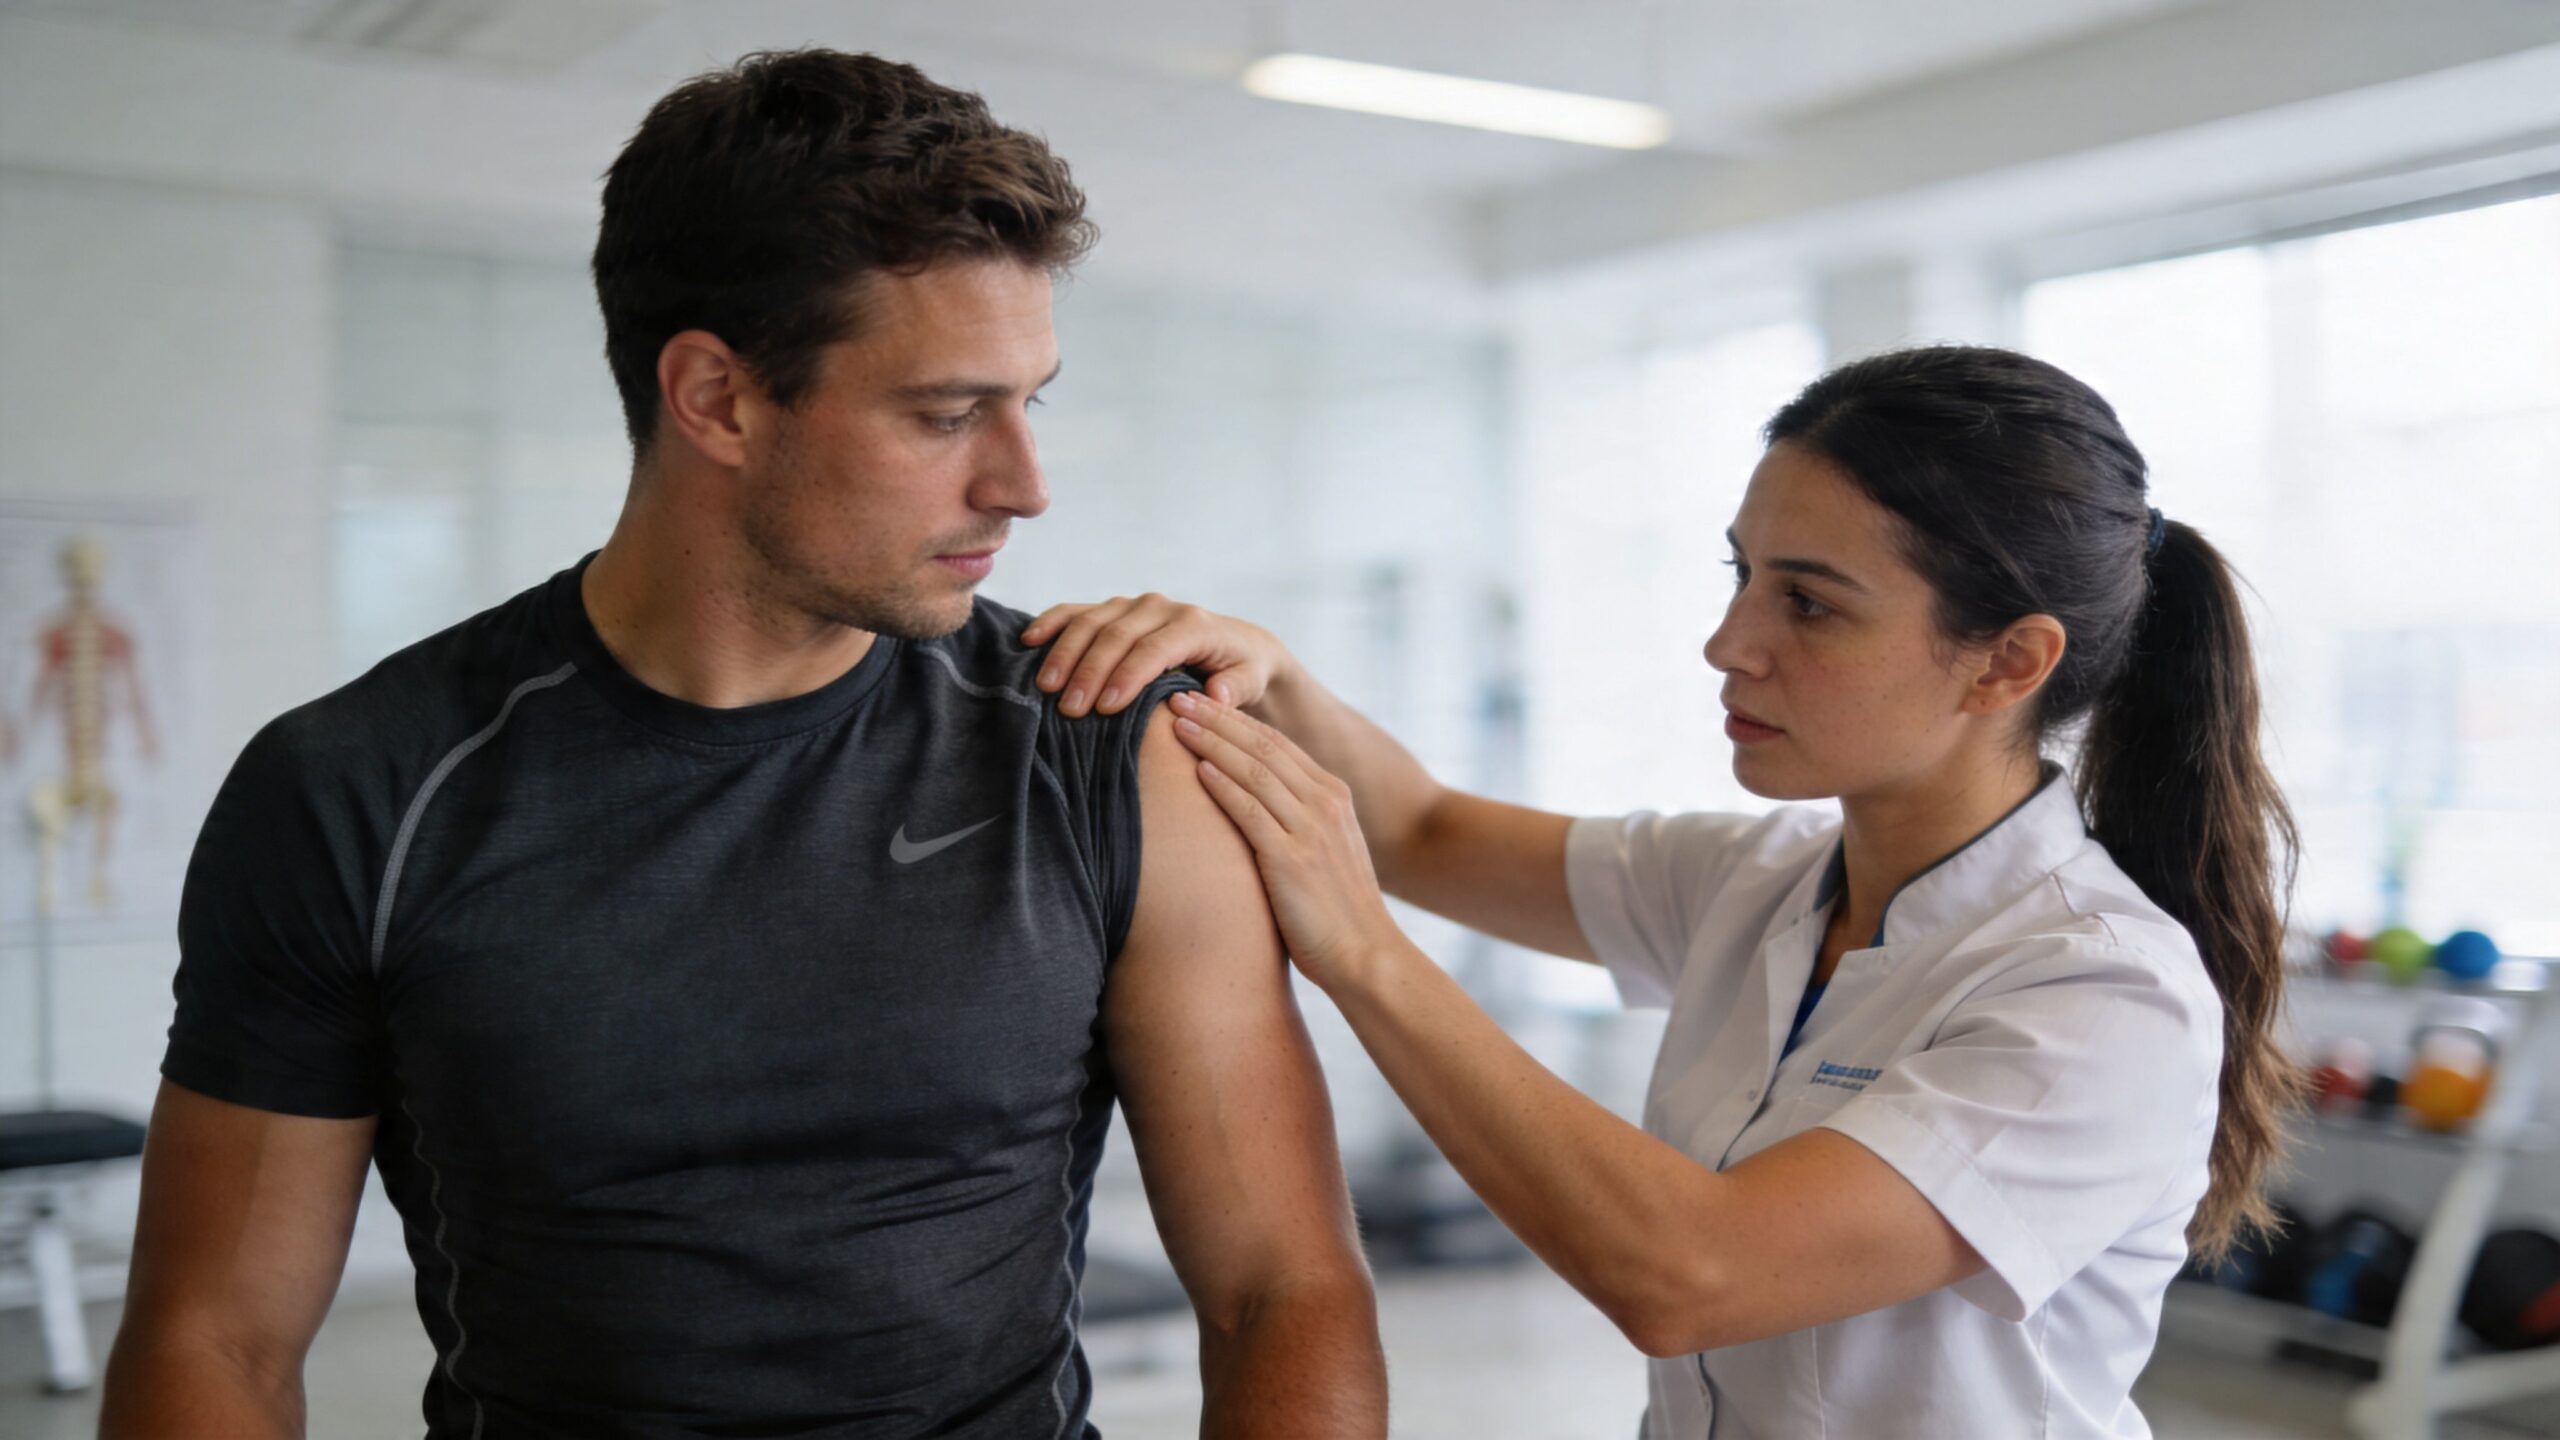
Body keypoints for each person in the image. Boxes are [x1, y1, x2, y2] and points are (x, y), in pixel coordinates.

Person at [100, 50, 1385, 1439]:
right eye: (948, 413)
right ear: (714, 397)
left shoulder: (1100, 747)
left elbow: (1283, 1290)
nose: (1024, 484)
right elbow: (214, 1341)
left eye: (1032, 400)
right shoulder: (359, 788)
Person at [1023, 344, 2300, 1437]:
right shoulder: (1755, 881)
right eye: (1740, 574)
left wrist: (1359, 947)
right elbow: (1419, 829)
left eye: (1808, 602)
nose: (1729, 642)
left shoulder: (2098, 993)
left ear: (2006, 663)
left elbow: (1687, 1274)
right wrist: (1275, 674)